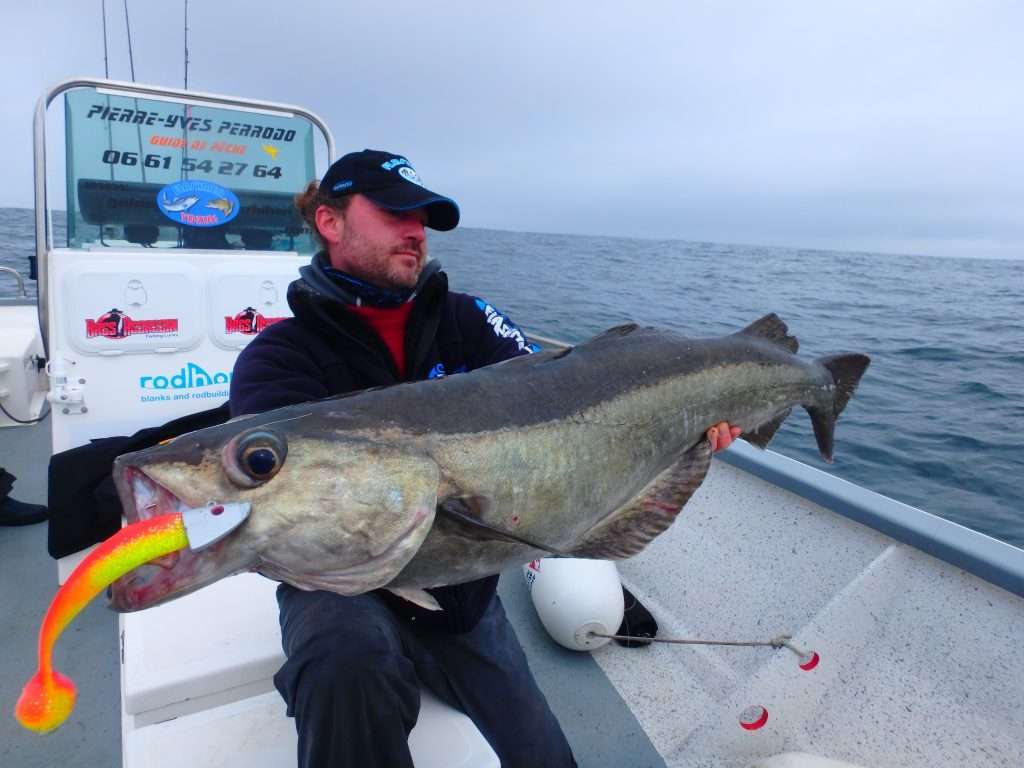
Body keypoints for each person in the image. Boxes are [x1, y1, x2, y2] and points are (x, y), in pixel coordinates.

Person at [228, 149, 739, 767]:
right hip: (337, 595)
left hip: (463, 601)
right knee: (346, 659)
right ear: (331, 224)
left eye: (422, 218)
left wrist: (678, 432)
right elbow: (269, 507)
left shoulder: (468, 320)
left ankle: (419, 666)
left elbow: (563, 408)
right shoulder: (278, 359)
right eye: (393, 213)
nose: (415, 230)